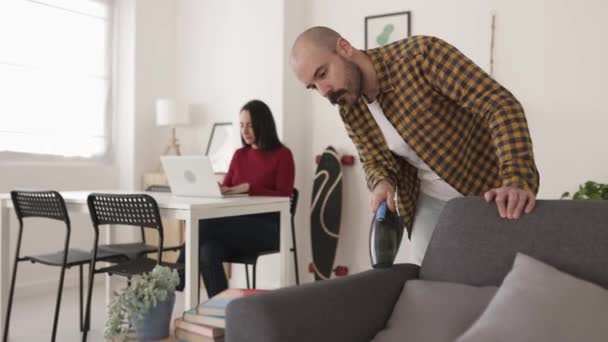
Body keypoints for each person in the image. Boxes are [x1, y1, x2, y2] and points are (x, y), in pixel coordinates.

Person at [290, 27, 539, 264]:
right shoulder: (350, 109)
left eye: (322, 74)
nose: (324, 92)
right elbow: (374, 160)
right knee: (426, 286)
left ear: (344, 48)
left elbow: (499, 105)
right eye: (313, 86)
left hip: (490, 194)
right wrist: (381, 184)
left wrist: (515, 180)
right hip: (430, 202)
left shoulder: (421, 56)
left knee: (499, 286)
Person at [176, 99, 295, 297]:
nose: (245, 131)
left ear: (263, 124)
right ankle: (225, 315)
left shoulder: (282, 154)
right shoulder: (240, 155)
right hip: (236, 227)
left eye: (250, 125)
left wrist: (250, 188)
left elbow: (285, 194)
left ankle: (174, 280)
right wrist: (218, 189)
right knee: (207, 250)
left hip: (269, 229)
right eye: (241, 125)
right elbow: (228, 188)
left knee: (203, 225)